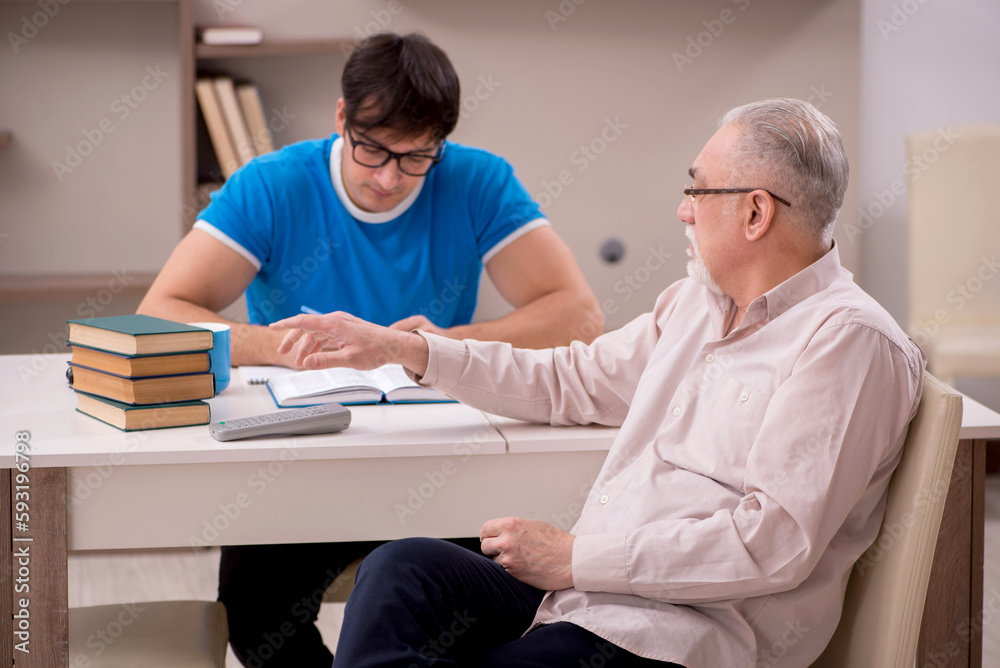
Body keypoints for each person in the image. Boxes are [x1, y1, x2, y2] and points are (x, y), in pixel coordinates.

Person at [269, 98, 927, 667]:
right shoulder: (694, 306)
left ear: (755, 214)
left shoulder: (847, 342)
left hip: (681, 635)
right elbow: (570, 378)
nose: (683, 211)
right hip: (587, 594)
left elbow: (772, 545)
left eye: (697, 191)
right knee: (400, 571)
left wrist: (574, 558)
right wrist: (407, 349)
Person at [139, 33, 602, 667]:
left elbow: (579, 316)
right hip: (302, 456)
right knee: (257, 615)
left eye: (416, 157)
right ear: (341, 117)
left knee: (476, 611)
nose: (389, 178)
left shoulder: (477, 179)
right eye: (373, 150)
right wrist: (285, 345)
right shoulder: (272, 184)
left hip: (438, 455)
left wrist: (433, 346)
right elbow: (160, 313)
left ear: (441, 143)